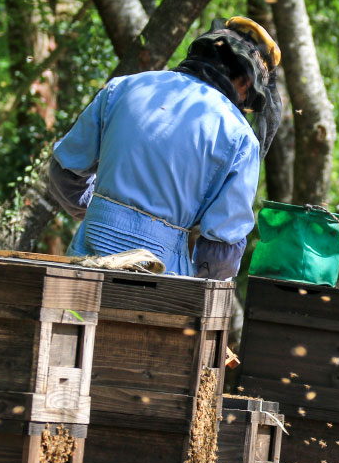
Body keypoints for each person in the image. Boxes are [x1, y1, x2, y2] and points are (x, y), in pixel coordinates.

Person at [48, 17, 282, 279]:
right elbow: (220, 251)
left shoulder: (125, 87)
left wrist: (105, 214)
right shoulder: (240, 136)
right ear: (246, 82)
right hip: (161, 278)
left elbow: (63, 174)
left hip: (85, 263)